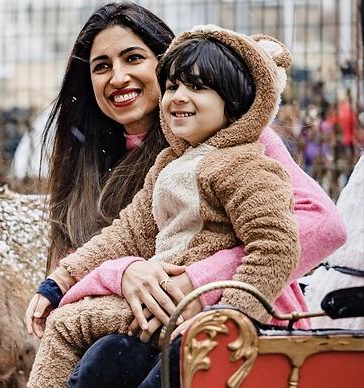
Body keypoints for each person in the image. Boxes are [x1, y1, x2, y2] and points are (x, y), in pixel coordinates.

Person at [25, 2, 346, 386]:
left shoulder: (235, 142)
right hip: (139, 318)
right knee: (99, 355)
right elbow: (114, 240)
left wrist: (199, 282)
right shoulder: (97, 161)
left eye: (133, 58)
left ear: (164, 59)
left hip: (221, 318)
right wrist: (125, 271)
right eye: (102, 66)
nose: (119, 77)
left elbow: (319, 224)